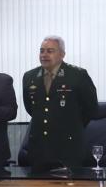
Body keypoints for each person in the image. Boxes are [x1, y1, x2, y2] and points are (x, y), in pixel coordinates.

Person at [22, 35, 98, 169]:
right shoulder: (29, 77)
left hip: (68, 148)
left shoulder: (78, 75)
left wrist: (71, 126)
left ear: (62, 54)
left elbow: (91, 109)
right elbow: (31, 108)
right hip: (39, 149)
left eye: (50, 51)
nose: (44, 55)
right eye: (42, 51)